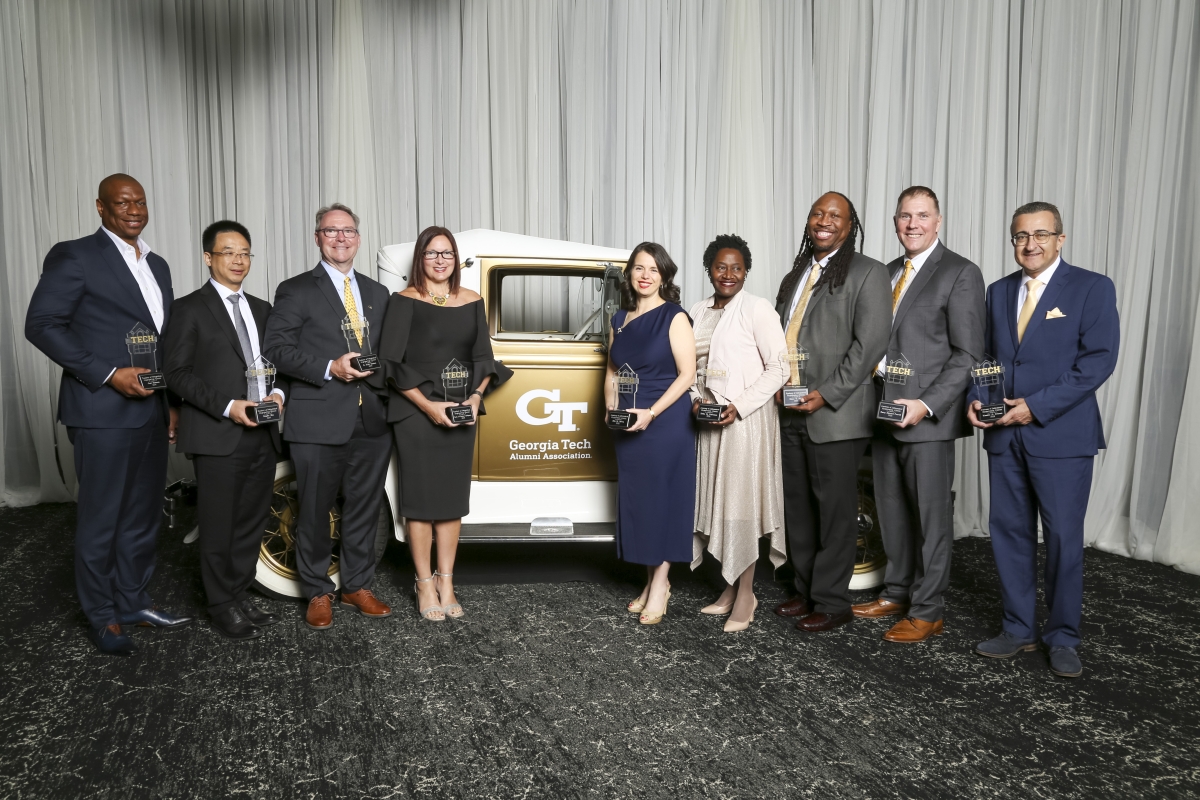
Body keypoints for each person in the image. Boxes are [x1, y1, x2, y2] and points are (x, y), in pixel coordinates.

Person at [24, 173, 192, 656]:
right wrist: (107, 373)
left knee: (142, 517)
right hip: (101, 411)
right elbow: (41, 324)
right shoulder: (75, 255)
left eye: (140, 201)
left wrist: (173, 404)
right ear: (100, 208)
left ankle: (133, 601)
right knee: (101, 519)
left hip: (152, 411)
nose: (133, 209)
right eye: (122, 202)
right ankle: (101, 616)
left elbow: (163, 343)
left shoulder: (157, 264)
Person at [968, 201, 1119, 678]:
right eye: (1020, 236)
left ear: (1060, 239)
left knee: (1062, 538)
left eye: (1040, 235)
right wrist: (978, 398)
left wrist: (1035, 407)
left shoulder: (1092, 287)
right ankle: (1018, 628)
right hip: (1003, 436)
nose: (1029, 245)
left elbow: (1097, 361)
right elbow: (987, 358)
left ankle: (1063, 635)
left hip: (1060, 435)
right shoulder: (998, 291)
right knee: (1009, 533)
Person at [851, 187, 985, 642]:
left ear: (938, 220)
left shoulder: (960, 273)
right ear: (894, 221)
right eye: (905, 216)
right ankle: (897, 590)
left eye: (922, 215)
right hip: (883, 414)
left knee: (930, 518)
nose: (913, 224)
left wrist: (925, 404)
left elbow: (968, 354)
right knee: (891, 511)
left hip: (927, 419)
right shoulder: (885, 273)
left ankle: (928, 609)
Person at [263, 203, 393, 630]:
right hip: (317, 417)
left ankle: (356, 585)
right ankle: (317, 590)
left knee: (363, 508)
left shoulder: (378, 294)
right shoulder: (296, 289)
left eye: (348, 231)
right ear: (317, 237)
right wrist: (329, 367)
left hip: (372, 419)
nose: (340, 238)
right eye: (330, 231)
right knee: (315, 510)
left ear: (358, 237)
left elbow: (391, 354)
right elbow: (276, 349)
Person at [376, 226, 512, 622]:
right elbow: (391, 364)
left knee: (451, 503)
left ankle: (447, 581)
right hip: (415, 412)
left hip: (460, 412)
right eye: (432, 253)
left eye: (447, 254)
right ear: (420, 258)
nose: (440, 260)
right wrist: (428, 406)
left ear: (456, 260)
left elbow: (484, 360)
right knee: (419, 504)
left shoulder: (472, 301)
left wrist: (473, 398)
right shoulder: (402, 301)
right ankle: (423, 584)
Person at [772, 192, 891, 633]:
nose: (824, 221)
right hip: (789, 409)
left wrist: (826, 394)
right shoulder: (798, 272)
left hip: (835, 413)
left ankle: (832, 601)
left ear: (850, 225)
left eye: (835, 215)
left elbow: (870, 346)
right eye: (818, 213)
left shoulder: (869, 273)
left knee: (836, 513)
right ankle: (805, 591)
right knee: (798, 509)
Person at [163, 220, 287, 641]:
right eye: (229, 252)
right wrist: (229, 406)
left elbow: (279, 365)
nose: (239, 260)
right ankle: (220, 605)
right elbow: (175, 374)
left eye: (245, 253)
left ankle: (238, 593)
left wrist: (279, 397)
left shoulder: (263, 309)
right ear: (208, 257)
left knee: (252, 521)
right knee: (219, 523)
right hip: (218, 432)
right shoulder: (188, 308)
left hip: (263, 432)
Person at [688, 234, 788, 633]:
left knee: (740, 505)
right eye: (720, 267)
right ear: (709, 269)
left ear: (746, 271)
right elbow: (690, 367)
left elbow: (780, 368)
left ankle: (746, 592)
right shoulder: (696, 310)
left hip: (745, 424)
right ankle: (728, 587)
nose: (728, 274)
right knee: (718, 503)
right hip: (709, 422)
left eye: (737, 268)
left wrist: (740, 406)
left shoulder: (758, 309)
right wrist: (696, 400)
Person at [608, 242, 697, 626]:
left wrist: (652, 412)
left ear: (664, 276)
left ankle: (661, 584)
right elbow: (612, 372)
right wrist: (610, 411)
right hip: (627, 420)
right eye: (638, 268)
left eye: (653, 270)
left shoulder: (674, 316)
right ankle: (648, 583)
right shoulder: (618, 319)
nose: (645, 276)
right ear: (629, 273)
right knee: (640, 502)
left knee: (662, 500)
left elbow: (687, 375)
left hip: (664, 419)